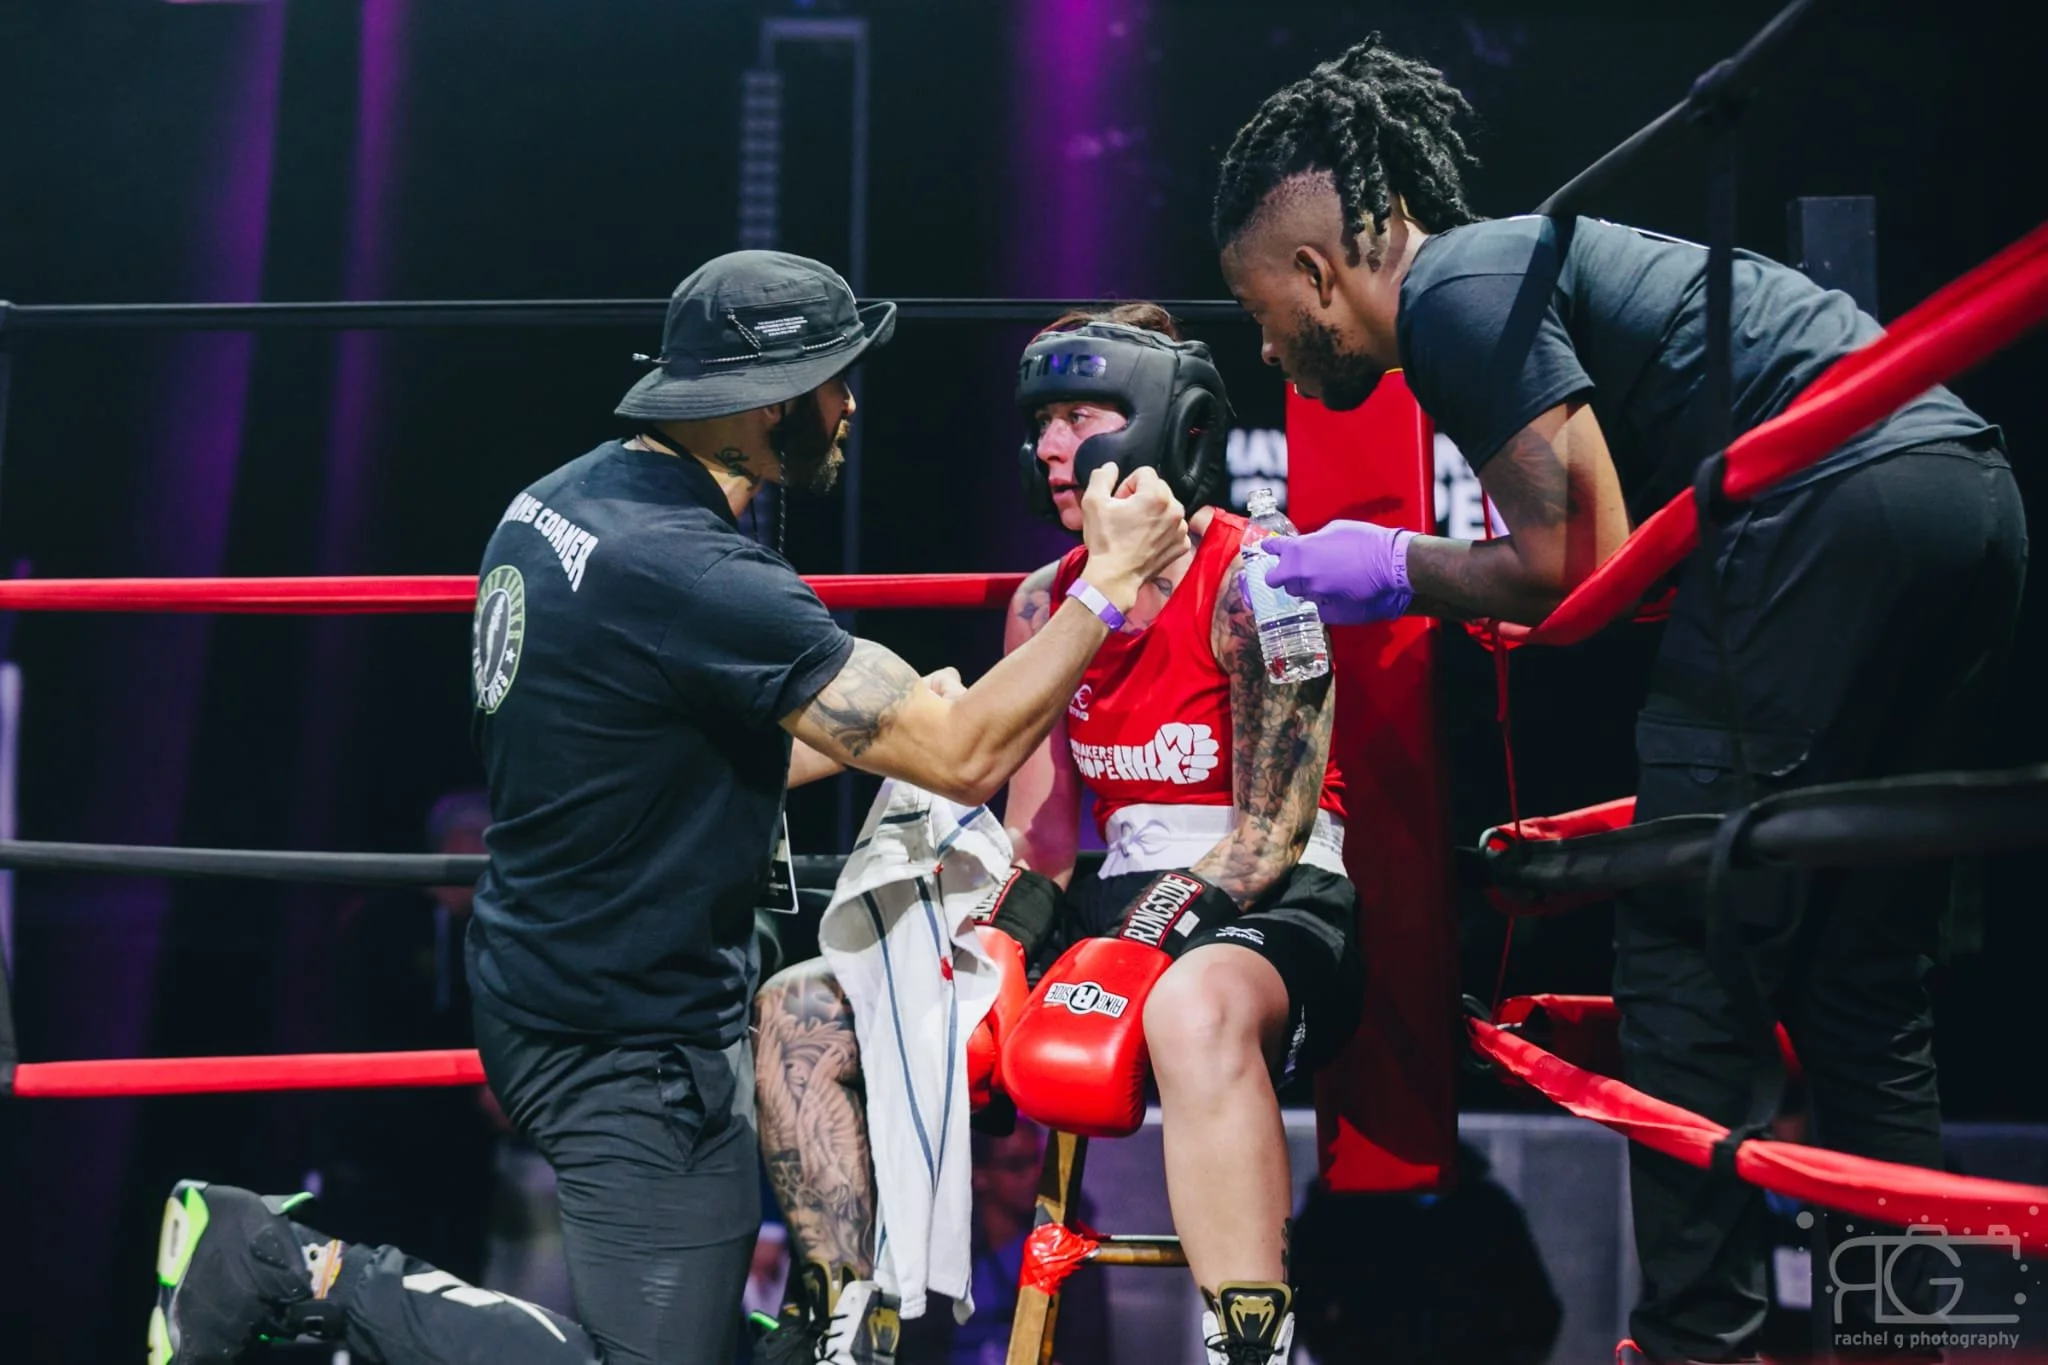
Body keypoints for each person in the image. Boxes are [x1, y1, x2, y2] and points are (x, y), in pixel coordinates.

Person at [146, 250, 1191, 1365]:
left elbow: (634, 755)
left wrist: (858, 729)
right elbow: (967, 755)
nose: (849, 408)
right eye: (835, 382)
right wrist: (1106, 582)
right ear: (771, 402)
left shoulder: (556, 506)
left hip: (549, 982)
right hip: (632, 1045)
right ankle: (281, 1265)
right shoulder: (700, 576)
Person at [1210, 37, 2027, 1365]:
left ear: (1317, 270)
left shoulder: (1455, 291)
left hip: (1833, 500)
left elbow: (1571, 557)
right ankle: (1922, 1339)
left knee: (1681, 929)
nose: (1266, 346)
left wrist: (1399, 564)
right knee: (1862, 971)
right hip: (1963, 489)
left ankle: (1699, 1339)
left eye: (1259, 309)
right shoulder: (1511, 272)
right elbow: (1612, 537)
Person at [752, 303, 1362, 1365]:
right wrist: (990, 943)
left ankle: (1248, 1340)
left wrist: (1137, 946)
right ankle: (843, 1321)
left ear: (1156, 419)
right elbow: (1040, 839)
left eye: (1074, 416)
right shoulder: (1046, 608)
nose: (1042, 446)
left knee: (1187, 1007)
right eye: (1037, 419)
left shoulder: (1264, 576)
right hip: (1106, 906)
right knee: (802, 1006)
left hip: (1269, 905)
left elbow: (1270, 832)